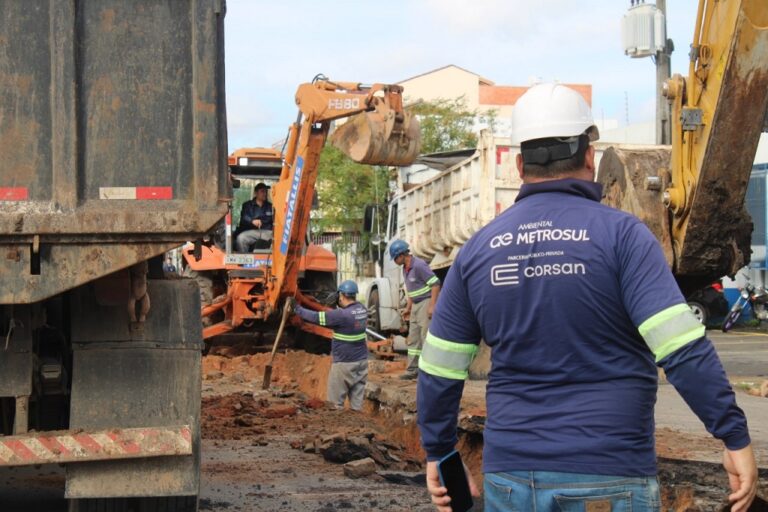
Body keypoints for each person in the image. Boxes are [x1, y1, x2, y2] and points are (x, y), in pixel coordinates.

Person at [416, 83, 757, 512]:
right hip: (611, 474)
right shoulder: (624, 236)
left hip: (511, 478)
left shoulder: (479, 251)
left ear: (520, 165)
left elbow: (438, 367)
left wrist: (440, 451)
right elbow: (682, 349)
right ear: (590, 158)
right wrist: (733, 435)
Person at [293, 280, 369, 410]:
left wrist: (297, 309)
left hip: (344, 364)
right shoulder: (362, 309)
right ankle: (357, 426)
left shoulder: (341, 315)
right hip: (361, 362)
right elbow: (335, 315)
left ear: (341, 295)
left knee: (334, 405)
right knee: (357, 405)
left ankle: (337, 428)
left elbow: (316, 317)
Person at [390, 240, 441, 380]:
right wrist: (408, 307)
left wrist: (432, 305)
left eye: (395, 258)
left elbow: (435, 284)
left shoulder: (419, 265)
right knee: (413, 339)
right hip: (415, 305)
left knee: (426, 337)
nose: (394, 261)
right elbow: (412, 290)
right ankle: (412, 370)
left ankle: (429, 371)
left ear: (401, 255)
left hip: (425, 302)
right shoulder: (404, 268)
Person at [235, 182, 273, 252]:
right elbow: (244, 217)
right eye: (262, 191)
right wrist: (252, 221)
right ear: (256, 193)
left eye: (266, 191)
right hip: (251, 232)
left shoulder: (271, 206)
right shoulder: (247, 205)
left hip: (267, 232)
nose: (265, 194)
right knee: (241, 238)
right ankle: (244, 260)